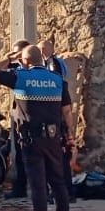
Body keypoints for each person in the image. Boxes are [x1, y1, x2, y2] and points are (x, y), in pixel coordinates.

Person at [0, 45, 77, 211]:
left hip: (31, 140)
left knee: (38, 185)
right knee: (58, 182)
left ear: (26, 61)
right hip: (54, 139)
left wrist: (8, 58)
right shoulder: (57, 80)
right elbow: (66, 112)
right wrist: (70, 138)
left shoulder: (20, 78)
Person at [39, 38, 75, 199]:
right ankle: (66, 192)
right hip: (59, 123)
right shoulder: (59, 65)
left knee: (53, 160)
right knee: (61, 160)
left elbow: (66, 110)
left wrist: (69, 130)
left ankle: (57, 193)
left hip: (53, 123)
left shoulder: (50, 69)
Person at [4, 39, 31, 199]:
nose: (16, 57)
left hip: (33, 116)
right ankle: (19, 188)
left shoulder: (38, 68)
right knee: (16, 152)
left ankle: (44, 190)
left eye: (18, 53)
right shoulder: (16, 68)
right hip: (18, 116)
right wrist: (9, 58)